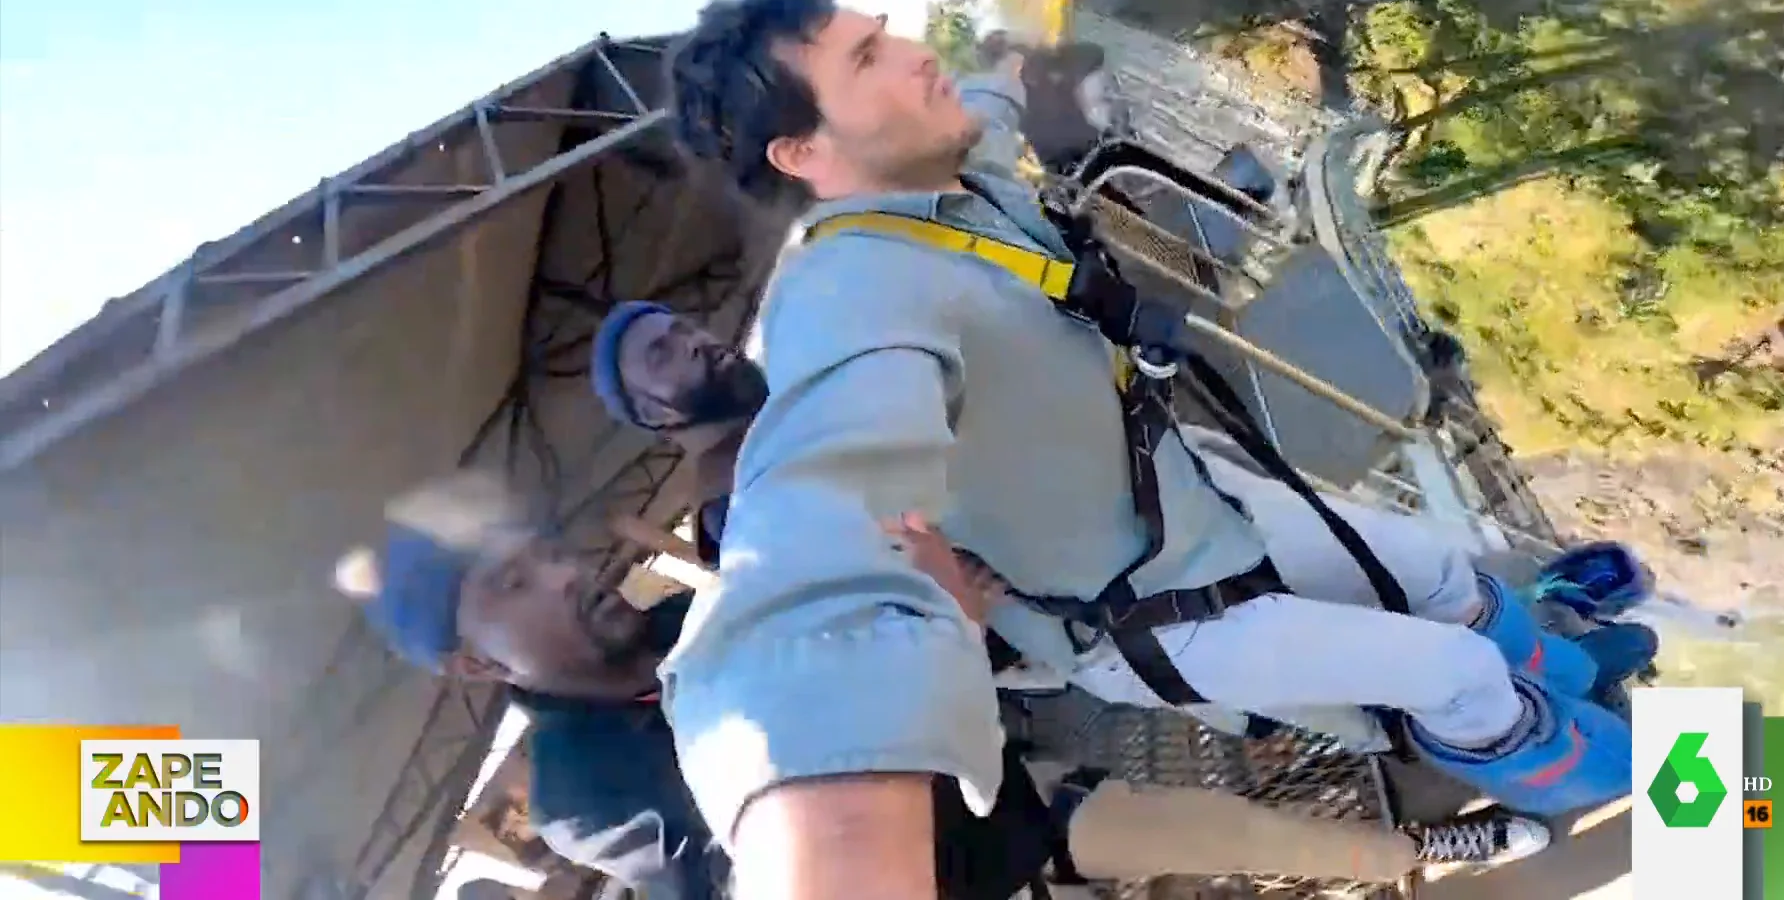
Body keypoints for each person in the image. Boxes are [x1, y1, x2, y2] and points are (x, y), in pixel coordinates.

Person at [655, 0, 1635, 899]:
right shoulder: (842, 295)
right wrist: (809, 768)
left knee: (1437, 573)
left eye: (887, 30)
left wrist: (1001, 67)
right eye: (867, 58)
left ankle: (1567, 673)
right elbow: (808, 510)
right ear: (798, 151)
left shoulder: (956, 190)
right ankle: (1586, 764)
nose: (913, 52)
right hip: (1152, 616)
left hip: (1199, 496)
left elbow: (989, 114)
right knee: (1450, 670)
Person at [340, 474, 1550, 900]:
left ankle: (1429, 851)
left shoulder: (685, 625)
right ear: (476, 663)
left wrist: (928, 608)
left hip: (1013, 810)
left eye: (546, 552)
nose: (565, 574)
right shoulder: (582, 791)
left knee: (1252, 831)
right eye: (515, 583)